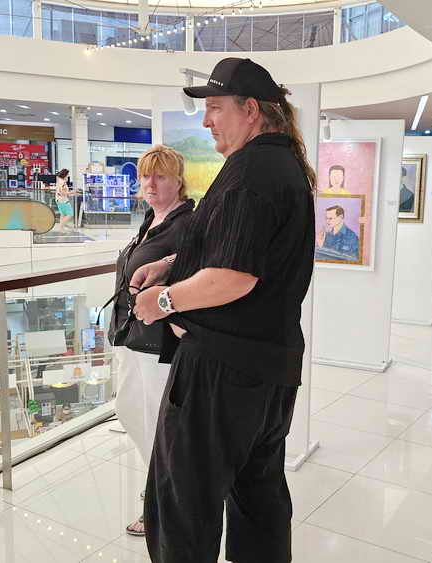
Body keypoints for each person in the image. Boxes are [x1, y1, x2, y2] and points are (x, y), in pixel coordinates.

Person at [129, 57, 315, 563]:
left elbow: (234, 276)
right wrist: (171, 263)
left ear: (251, 110)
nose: (207, 121)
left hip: (221, 369)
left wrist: (162, 301)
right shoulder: (282, 165)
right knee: (258, 497)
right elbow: (238, 248)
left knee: (183, 503)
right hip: (268, 364)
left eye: (215, 108)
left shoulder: (251, 171)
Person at [107, 146, 195, 538]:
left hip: (160, 343)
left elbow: (196, 271)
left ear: (178, 180)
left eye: (160, 176)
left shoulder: (187, 223)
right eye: (145, 176)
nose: (151, 184)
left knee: (158, 425)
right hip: (132, 335)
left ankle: (163, 503)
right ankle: (163, 492)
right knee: (129, 411)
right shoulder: (150, 220)